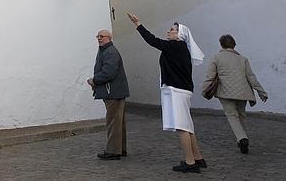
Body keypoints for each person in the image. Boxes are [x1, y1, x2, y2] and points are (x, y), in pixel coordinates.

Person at [126, 12, 206, 173]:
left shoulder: (175, 46)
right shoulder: (181, 48)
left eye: (172, 30)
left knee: (182, 127)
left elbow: (152, 40)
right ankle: (198, 158)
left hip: (177, 90)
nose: (168, 31)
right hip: (183, 90)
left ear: (180, 34)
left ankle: (190, 163)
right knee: (188, 126)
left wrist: (137, 24)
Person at [202, 34, 268, 154]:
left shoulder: (216, 58)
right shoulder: (243, 59)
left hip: (225, 92)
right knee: (241, 115)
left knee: (232, 115)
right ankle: (242, 138)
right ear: (234, 45)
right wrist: (261, 92)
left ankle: (242, 138)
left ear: (221, 45)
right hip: (243, 92)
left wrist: (204, 90)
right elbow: (251, 77)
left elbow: (210, 77)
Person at [87, 29, 130, 160]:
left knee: (113, 122)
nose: (99, 38)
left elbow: (109, 73)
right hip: (113, 91)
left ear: (109, 38)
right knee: (117, 122)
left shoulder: (110, 51)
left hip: (113, 92)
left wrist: (94, 80)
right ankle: (120, 149)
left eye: (102, 36)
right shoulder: (105, 50)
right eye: (98, 36)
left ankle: (113, 151)